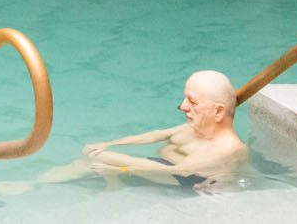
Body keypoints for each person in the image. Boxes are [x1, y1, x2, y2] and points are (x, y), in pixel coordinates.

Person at [79, 70, 247, 190]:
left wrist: (121, 170)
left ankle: (109, 181)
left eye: (192, 102)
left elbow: (178, 170)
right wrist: (109, 142)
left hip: (183, 178)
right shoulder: (195, 127)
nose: (182, 107)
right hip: (166, 166)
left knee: (99, 157)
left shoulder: (226, 148)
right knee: (91, 158)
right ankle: (109, 182)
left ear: (218, 111)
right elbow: (156, 135)